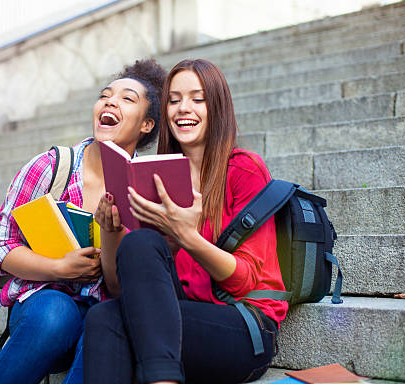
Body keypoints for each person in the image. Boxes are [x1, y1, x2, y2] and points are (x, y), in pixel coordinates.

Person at [85, 59, 289, 384]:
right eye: (174, 99)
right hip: (175, 318)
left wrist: (186, 236)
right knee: (103, 314)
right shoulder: (153, 178)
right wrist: (110, 233)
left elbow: (247, 281)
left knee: (117, 318)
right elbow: (120, 288)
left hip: (242, 323)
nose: (184, 108)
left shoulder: (243, 169)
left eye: (198, 98)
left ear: (217, 106)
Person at [0, 59, 167, 384]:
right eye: (105, 95)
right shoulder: (51, 166)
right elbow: (1, 245)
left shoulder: (146, 190)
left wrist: (111, 242)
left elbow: (124, 285)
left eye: (128, 98)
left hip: (102, 313)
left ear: (147, 125)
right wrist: (59, 269)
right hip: (42, 308)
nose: (110, 101)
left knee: (109, 324)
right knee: (57, 313)